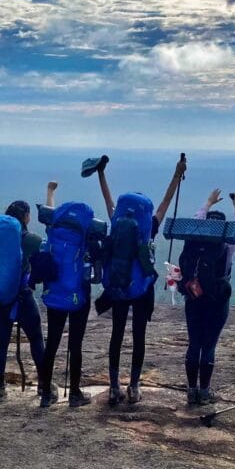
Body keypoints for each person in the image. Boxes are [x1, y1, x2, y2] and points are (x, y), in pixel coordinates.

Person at [94, 154, 186, 405]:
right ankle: (134, 387)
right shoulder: (149, 226)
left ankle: (114, 387)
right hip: (141, 288)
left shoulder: (116, 220)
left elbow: (107, 198)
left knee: (116, 335)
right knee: (139, 337)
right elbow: (166, 202)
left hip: (118, 285)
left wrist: (101, 173)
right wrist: (178, 174)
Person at [183, 189, 235, 406]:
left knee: (194, 344)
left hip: (194, 297)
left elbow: (196, 219)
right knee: (209, 346)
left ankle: (191, 390)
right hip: (217, 300)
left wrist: (207, 203)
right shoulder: (227, 245)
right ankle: (205, 392)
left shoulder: (195, 240)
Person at [38, 181, 94, 408]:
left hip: (55, 292)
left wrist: (49, 192)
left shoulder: (55, 230)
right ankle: (75, 393)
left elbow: (49, 213)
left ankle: (45, 394)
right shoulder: (86, 233)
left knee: (52, 342)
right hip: (78, 293)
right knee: (75, 344)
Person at [0, 200, 48, 403]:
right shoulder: (30, 239)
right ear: (26, 217)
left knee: (0, 342)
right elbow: (45, 255)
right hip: (22, 296)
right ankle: (43, 385)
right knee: (36, 339)